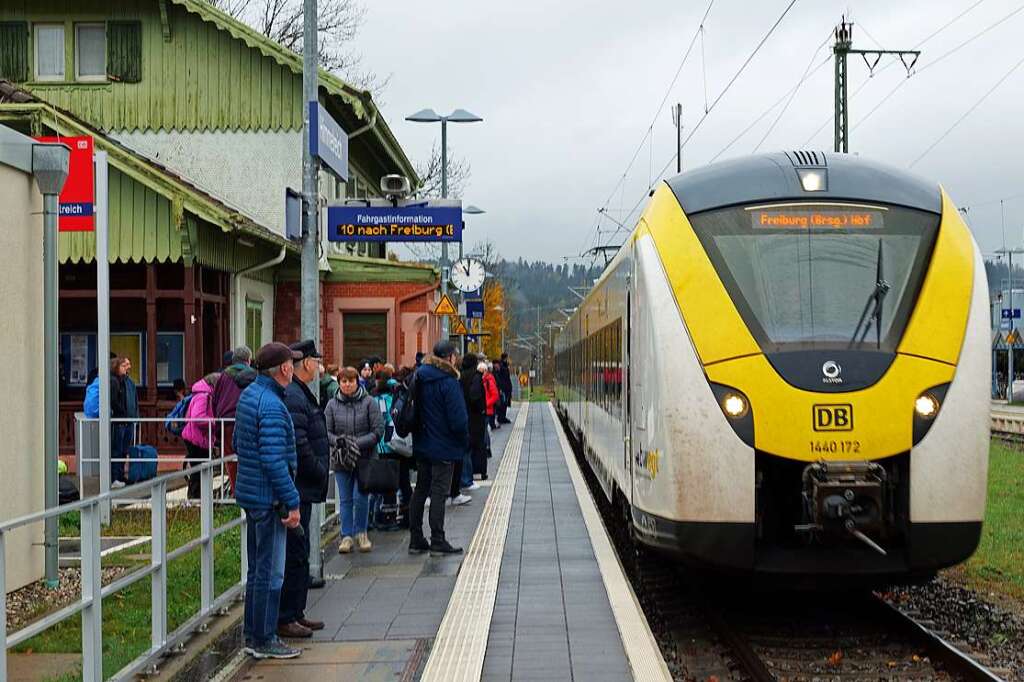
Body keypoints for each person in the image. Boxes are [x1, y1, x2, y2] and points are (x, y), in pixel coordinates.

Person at [234, 342, 303, 660]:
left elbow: (238, 443)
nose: (295, 368)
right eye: (292, 364)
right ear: (285, 369)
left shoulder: (249, 396)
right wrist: (292, 500)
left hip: (252, 494)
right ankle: (264, 638)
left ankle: (252, 634)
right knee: (271, 573)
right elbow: (275, 460)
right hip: (270, 498)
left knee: (256, 570)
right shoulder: (273, 405)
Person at [278, 340, 330, 639]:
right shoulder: (296, 396)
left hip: (305, 486)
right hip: (301, 485)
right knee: (295, 553)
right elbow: (299, 442)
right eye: (317, 362)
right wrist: (318, 468)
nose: (320, 367)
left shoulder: (299, 392)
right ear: (307, 363)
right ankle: (287, 617)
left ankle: (296, 613)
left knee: (300, 551)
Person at [409, 340, 469, 556]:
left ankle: (415, 538)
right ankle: (437, 538)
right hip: (444, 446)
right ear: (451, 357)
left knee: (421, 490)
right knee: (438, 492)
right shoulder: (449, 382)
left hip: (423, 443)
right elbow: (458, 420)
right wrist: (463, 441)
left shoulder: (420, 376)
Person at [325, 367, 384, 554]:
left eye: (351, 381)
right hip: (341, 458)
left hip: (365, 457)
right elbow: (326, 432)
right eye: (343, 381)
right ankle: (346, 536)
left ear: (357, 382)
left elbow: (377, 431)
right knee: (345, 499)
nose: (347, 385)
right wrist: (340, 442)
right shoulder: (331, 405)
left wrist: (356, 443)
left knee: (361, 497)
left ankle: (362, 532)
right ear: (339, 383)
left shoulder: (369, 403)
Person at [212, 347, 257, 495]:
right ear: (248, 360)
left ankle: (235, 491)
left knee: (231, 460)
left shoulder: (223, 376)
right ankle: (248, 491)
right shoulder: (252, 376)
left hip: (226, 422)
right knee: (248, 456)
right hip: (246, 420)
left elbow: (215, 399)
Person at [181, 373, 219, 500]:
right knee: (199, 470)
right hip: (197, 438)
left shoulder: (200, 394)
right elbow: (198, 417)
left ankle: (197, 497)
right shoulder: (204, 396)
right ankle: (195, 497)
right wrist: (215, 422)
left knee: (199, 469)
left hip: (197, 437)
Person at [460, 355, 488, 484]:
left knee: (466, 447)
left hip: (464, 415)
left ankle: (466, 476)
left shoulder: (460, 376)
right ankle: (469, 477)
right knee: (475, 446)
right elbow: (475, 396)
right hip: (475, 418)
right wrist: (482, 409)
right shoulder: (475, 377)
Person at [109, 357, 130, 488]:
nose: (127, 368)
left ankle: (120, 475)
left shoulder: (121, 381)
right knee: (117, 450)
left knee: (122, 450)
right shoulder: (114, 381)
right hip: (118, 420)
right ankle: (115, 477)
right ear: (116, 367)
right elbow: (114, 401)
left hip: (122, 419)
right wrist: (122, 412)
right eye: (123, 366)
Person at [482, 361, 500, 432]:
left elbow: (495, 395)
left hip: (487, 408)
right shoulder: (485, 380)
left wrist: (487, 403)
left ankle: (493, 424)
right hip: (486, 408)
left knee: (484, 431)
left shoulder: (489, 380)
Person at [495, 355, 513, 424]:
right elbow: (504, 378)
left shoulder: (503, 366)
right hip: (504, 388)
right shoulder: (502, 367)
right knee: (503, 403)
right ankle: (501, 417)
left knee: (504, 403)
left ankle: (502, 417)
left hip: (506, 387)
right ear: (505, 358)